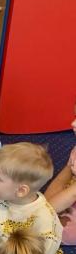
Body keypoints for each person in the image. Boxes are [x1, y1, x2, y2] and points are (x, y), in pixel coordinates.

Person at [45, 101, 76, 244]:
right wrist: (46, 202)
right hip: (70, 194)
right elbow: (66, 172)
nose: (73, 123)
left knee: (63, 232)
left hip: (72, 195)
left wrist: (42, 211)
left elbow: (73, 193)